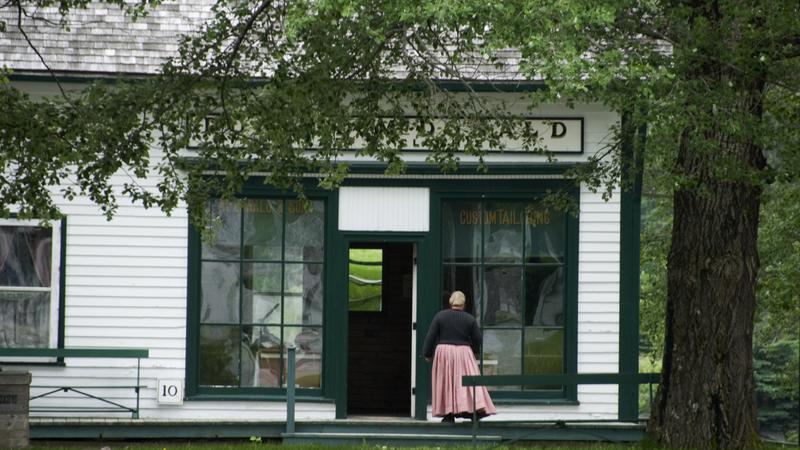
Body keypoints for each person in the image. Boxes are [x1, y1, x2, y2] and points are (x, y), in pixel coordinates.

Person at [422, 290, 496, 423]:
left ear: (451, 302)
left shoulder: (440, 316)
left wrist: (427, 354)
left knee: (446, 382)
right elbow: (478, 338)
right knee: (467, 384)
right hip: (463, 352)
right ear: (464, 304)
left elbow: (430, 336)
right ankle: (473, 410)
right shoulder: (469, 318)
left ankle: (448, 414)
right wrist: (475, 351)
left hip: (443, 352)